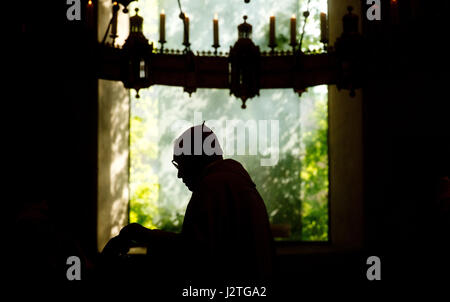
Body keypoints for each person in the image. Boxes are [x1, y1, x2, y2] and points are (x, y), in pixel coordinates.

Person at [102, 123, 275, 282]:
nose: (179, 175)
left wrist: (147, 236)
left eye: (180, 164)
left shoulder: (212, 187)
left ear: (195, 158)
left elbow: (196, 255)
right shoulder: (237, 183)